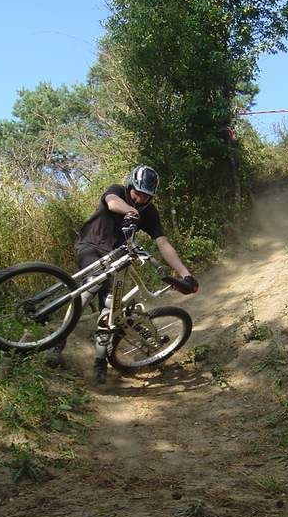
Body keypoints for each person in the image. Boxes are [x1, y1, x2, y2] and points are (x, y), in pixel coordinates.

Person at [74, 164, 199, 384]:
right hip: (91, 246)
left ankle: (99, 362)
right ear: (130, 185)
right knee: (91, 285)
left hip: (117, 258)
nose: (141, 199)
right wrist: (131, 211)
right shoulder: (117, 191)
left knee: (111, 306)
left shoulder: (149, 213)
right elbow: (112, 203)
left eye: (146, 196)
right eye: (137, 193)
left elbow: (163, 243)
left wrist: (185, 274)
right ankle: (58, 342)